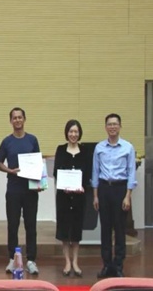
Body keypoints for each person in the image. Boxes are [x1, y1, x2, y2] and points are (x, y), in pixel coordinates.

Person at [93, 113, 137, 279]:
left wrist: (128, 196)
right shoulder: (99, 148)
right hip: (104, 189)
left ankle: (118, 265)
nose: (112, 127)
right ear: (106, 127)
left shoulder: (128, 147)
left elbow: (131, 173)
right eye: (109, 124)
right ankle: (106, 265)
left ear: (120, 126)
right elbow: (95, 173)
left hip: (120, 190)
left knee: (119, 229)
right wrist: (95, 196)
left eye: (115, 124)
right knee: (105, 229)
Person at [0, 107, 41, 275]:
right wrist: (10, 171)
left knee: (31, 225)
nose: (17, 120)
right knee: (13, 225)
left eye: (20, 117)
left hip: (30, 190)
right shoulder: (7, 142)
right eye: (14, 118)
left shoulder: (32, 140)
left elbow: (38, 164)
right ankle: (12, 259)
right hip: (13, 189)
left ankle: (31, 260)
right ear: (11, 121)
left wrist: (40, 184)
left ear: (24, 119)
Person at [53, 119, 91, 278]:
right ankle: (67, 262)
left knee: (76, 229)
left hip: (79, 196)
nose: (73, 134)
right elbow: (56, 171)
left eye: (76, 131)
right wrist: (64, 186)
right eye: (71, 131)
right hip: (63, 196)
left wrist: (82, 186)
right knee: (64, 230)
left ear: (79, 133)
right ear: (66, 133)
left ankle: (75, 262)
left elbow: (88, 172)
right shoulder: (61, 149)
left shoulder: (85, 151)